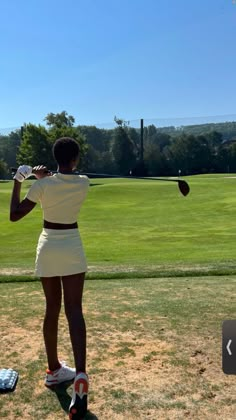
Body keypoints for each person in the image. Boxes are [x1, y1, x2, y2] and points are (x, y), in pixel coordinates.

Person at [10, 137, 90, 419]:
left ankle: (54, 369)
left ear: (56, 158)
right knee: (74, 310)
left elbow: (14, 215)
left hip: (48, 246)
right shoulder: (84, 182)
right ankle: (80, 372)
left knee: (52, 308)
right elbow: (67, 179)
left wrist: (22, 179)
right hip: (72, 246)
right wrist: (49, 178)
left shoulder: (42, 184)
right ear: (75, 159)